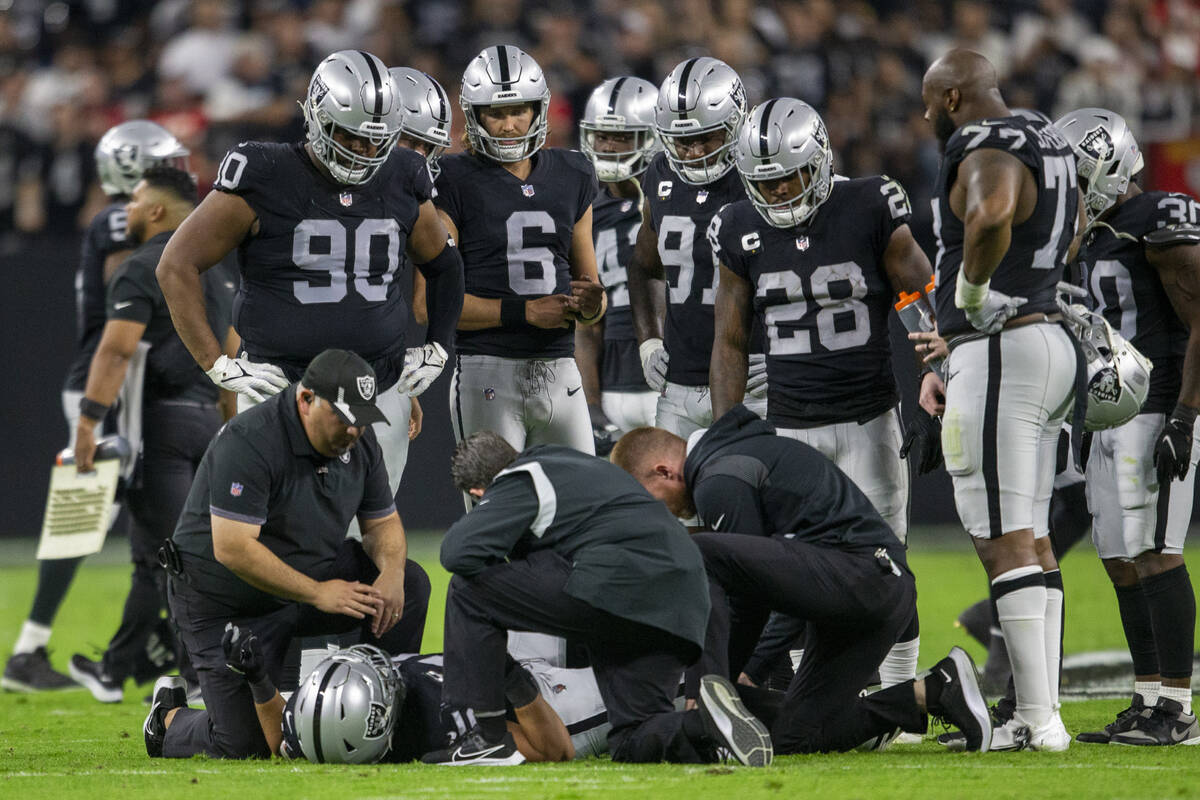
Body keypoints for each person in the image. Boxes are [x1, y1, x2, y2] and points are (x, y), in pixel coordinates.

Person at [155, 49, 464, 509]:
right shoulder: (263, 171)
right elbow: (175, 265)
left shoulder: (403, 173)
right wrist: (216, 363)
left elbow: (445, 265)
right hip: (282, 386)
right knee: (267, 534)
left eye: (376, 141)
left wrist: (438, 346)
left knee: (366, 533)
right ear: (318, 115)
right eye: (351, 136)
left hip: (371, 388)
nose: (362, 150)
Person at [708, 97, 934, 690]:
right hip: (789, 428)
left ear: (820, 158)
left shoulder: (867, 203)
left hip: (867, 418)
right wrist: (727, 427)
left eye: (789, 177)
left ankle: (897, 689)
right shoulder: (737, 226)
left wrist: (943, 376)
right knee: (796, 570)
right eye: (766, 181)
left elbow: (921, 297)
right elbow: (730, 339)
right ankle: (812, 685)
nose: (779, 192)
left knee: (886, 560)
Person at [609, 407, 993, 753]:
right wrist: (737, 673)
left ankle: (710, 698)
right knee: (798, 734)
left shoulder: (719, 477)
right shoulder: (730, 461)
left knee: (695, 550)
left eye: (651, 501)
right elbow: (764, 584)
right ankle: (936, 690)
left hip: (862, 579)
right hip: (868, 594)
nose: (669, 515)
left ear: (663, 471)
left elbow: (751, 596)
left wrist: (711, 684)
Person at [424, 431, 772, 766]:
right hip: (680, 603)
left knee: (468, 590)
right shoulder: (573, 464)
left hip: (616, 583)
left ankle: (485, 737)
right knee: (633, 737)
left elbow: (458, 552)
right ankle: (708, 727)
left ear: (479, 491)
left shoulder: (519, 477)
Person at [153, 349, 431, 759]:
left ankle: (383, 708)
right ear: (306, 400)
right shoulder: (251, 439)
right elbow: (233, 547)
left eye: (361, 420)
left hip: (304, 581)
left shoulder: (359, 442)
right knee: (246, 745)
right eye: (343, 417)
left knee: (408, 581)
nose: (353, 431)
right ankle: (168, 719)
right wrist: (318, 593)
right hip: (224, 601)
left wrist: (389, 572)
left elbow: (383, 524)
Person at [920, 48, 1080, 751]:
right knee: (1034, 536)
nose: (926, 116)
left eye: (930, 103)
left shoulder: (982, 139)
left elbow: (991, 213)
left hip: (1002, 348)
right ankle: (1036, 711)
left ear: (954, 98)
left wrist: (973, 296)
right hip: (1045, 342)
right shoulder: (1046, 131)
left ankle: (1037, 719)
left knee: (1001, 539)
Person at [3, 121, 189, 693]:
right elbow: (133, 299)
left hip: (119, 381)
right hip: (110, 381)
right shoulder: (121, 220)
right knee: (99, 513)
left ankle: (146, 638)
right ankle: (37, 652)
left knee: (130, 515)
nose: (180, 173)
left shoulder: (126, 218)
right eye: (165, 164)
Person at [1057, 107, 1200, 746]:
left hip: (1162, 404)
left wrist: (1186, 416)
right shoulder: (1091, 234)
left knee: (1156, 551)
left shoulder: (1158, 218)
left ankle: (1177, 707)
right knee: (1118, 558)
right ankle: (1146, 698)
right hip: (1111, 413)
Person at [65, 166, 236, 703]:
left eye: (136, 201)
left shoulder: (142, 267)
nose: (128, 211)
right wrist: (231, 429)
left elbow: (114, 350)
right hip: (210, 421)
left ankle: (199, 675)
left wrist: (87, 423)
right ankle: (117, 668)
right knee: (158, 557)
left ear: (158, 211)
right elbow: (232, 355)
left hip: (158, 426)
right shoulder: (220, 269)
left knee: (178, 557)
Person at [435, 45, 604, 456]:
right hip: (487, 371)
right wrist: (524, 312)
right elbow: (435, 305)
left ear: (539, 110)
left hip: (561, 370)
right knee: (495, 513)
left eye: (519, 111)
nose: (509, 125)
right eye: (495, 113)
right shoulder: (451, 178)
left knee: (582, 509)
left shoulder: (574, 172)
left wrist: (592, 302)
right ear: (474, 116)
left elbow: (591, 298)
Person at [146, 628, 613, 763]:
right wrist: (509, 673)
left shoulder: (330, 732)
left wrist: (258, 680)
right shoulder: (441, 727)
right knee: (652, 676)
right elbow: (554, 749)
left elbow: (283, 740)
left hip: (490, 662)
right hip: (543, 701)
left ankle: (169, 724)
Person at [627, 57, 765, 438]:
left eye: (708, 137)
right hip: (680, 385)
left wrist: (789, 355)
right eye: (683, 140)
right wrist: (649, 340)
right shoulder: (660, 172)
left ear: (737, 124)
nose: (694, 151)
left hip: (754, 383)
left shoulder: (765, 176)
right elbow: (644, 266)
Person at [574, 76, 662, 455]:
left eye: (622, 138)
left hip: (675, 384)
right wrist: (591, 405)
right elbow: (586, 327)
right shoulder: (585, 213)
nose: (609, 147)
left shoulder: (674, 204)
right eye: (602, 136)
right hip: (614, 386)